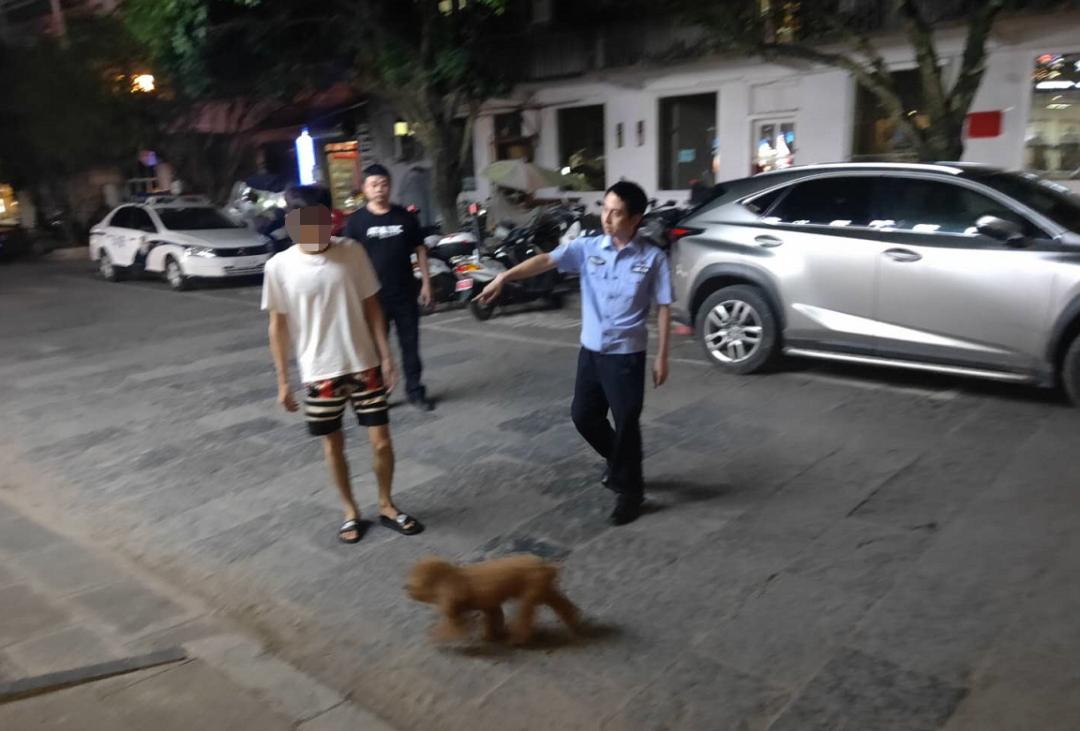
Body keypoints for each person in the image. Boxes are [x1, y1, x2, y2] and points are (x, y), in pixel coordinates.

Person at [478, 180, 672, 526]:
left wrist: (662, 356)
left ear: (636, 219)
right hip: (592, 352)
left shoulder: (652, 258)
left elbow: (664, 307)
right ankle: (621, 465)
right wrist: (504, 277)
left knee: (626, 421)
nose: (607, 218)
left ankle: (630, 491)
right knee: (584, 417)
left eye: (616, 213)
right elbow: (544, 261)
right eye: (605, 209)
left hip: (627, 355)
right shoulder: (588, 248)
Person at [262, 191, 424, 544]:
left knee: (381, 442)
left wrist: (386, 356)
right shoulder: (279, 267)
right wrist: (283, 381)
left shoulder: (352, 252)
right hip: (319, 371)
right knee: (333, 446)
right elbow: (278, 326)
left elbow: (373, 307)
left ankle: (386, 504)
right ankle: (350, 511)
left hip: (364, 364)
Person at [344, 164, 435, 411]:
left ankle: (415, 391)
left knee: (410, 346)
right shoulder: (356, 222)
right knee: (374, 348)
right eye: (374, 185)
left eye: (384, 184)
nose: (379, 189)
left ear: (390, 186)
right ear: (365, 188)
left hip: (405, 293)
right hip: (373, 297)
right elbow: (348, 259)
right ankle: (378, 394)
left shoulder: (405, 216)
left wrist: (426, 282)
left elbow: (420, 249)